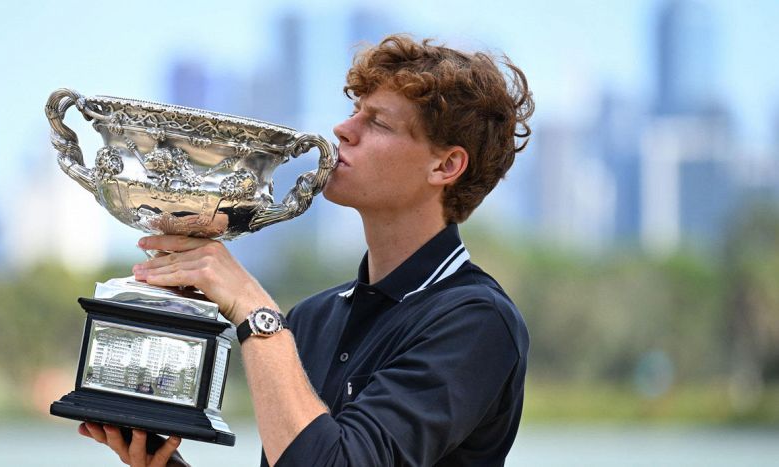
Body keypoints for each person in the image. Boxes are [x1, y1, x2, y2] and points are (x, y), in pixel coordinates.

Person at [79, 33, 534, 467]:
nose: (343, 129)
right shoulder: (313, 318)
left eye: (377, 121)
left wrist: (254, 309)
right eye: (354, 111)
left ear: (446, 164)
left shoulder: (476, 320)